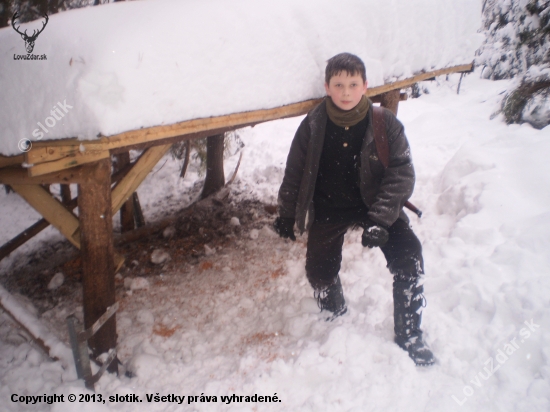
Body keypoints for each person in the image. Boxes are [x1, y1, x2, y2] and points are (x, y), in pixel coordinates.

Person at [273, 52, 434, 366]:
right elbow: (295, 170)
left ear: (365, 86)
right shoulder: (314, 123)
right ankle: (333, 314)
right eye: (339, 84)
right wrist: (286, 213)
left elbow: (402, 172)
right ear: (327, 86)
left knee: (410, 256)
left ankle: (410, 334)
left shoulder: (384, 122)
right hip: (330, 207)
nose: (346, 92)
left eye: (353, 84)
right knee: (318, 271)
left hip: (374, 204)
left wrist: (381, 219)